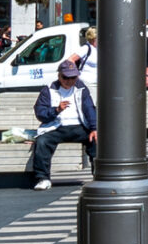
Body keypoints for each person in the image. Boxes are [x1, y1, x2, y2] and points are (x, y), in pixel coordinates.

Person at [27, 59, 97, 189]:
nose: (70, 81)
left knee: (95, 140)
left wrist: (94, 128)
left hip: (79, 126)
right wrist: (56, 110)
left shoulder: (81, 88)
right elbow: (40, 113)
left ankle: (98, 175)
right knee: (43, 142)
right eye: (66, 77)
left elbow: (89, 108)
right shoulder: (48, 90)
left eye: (73, 77)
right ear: (59, 76)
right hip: (56, 127)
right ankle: (43, 178)